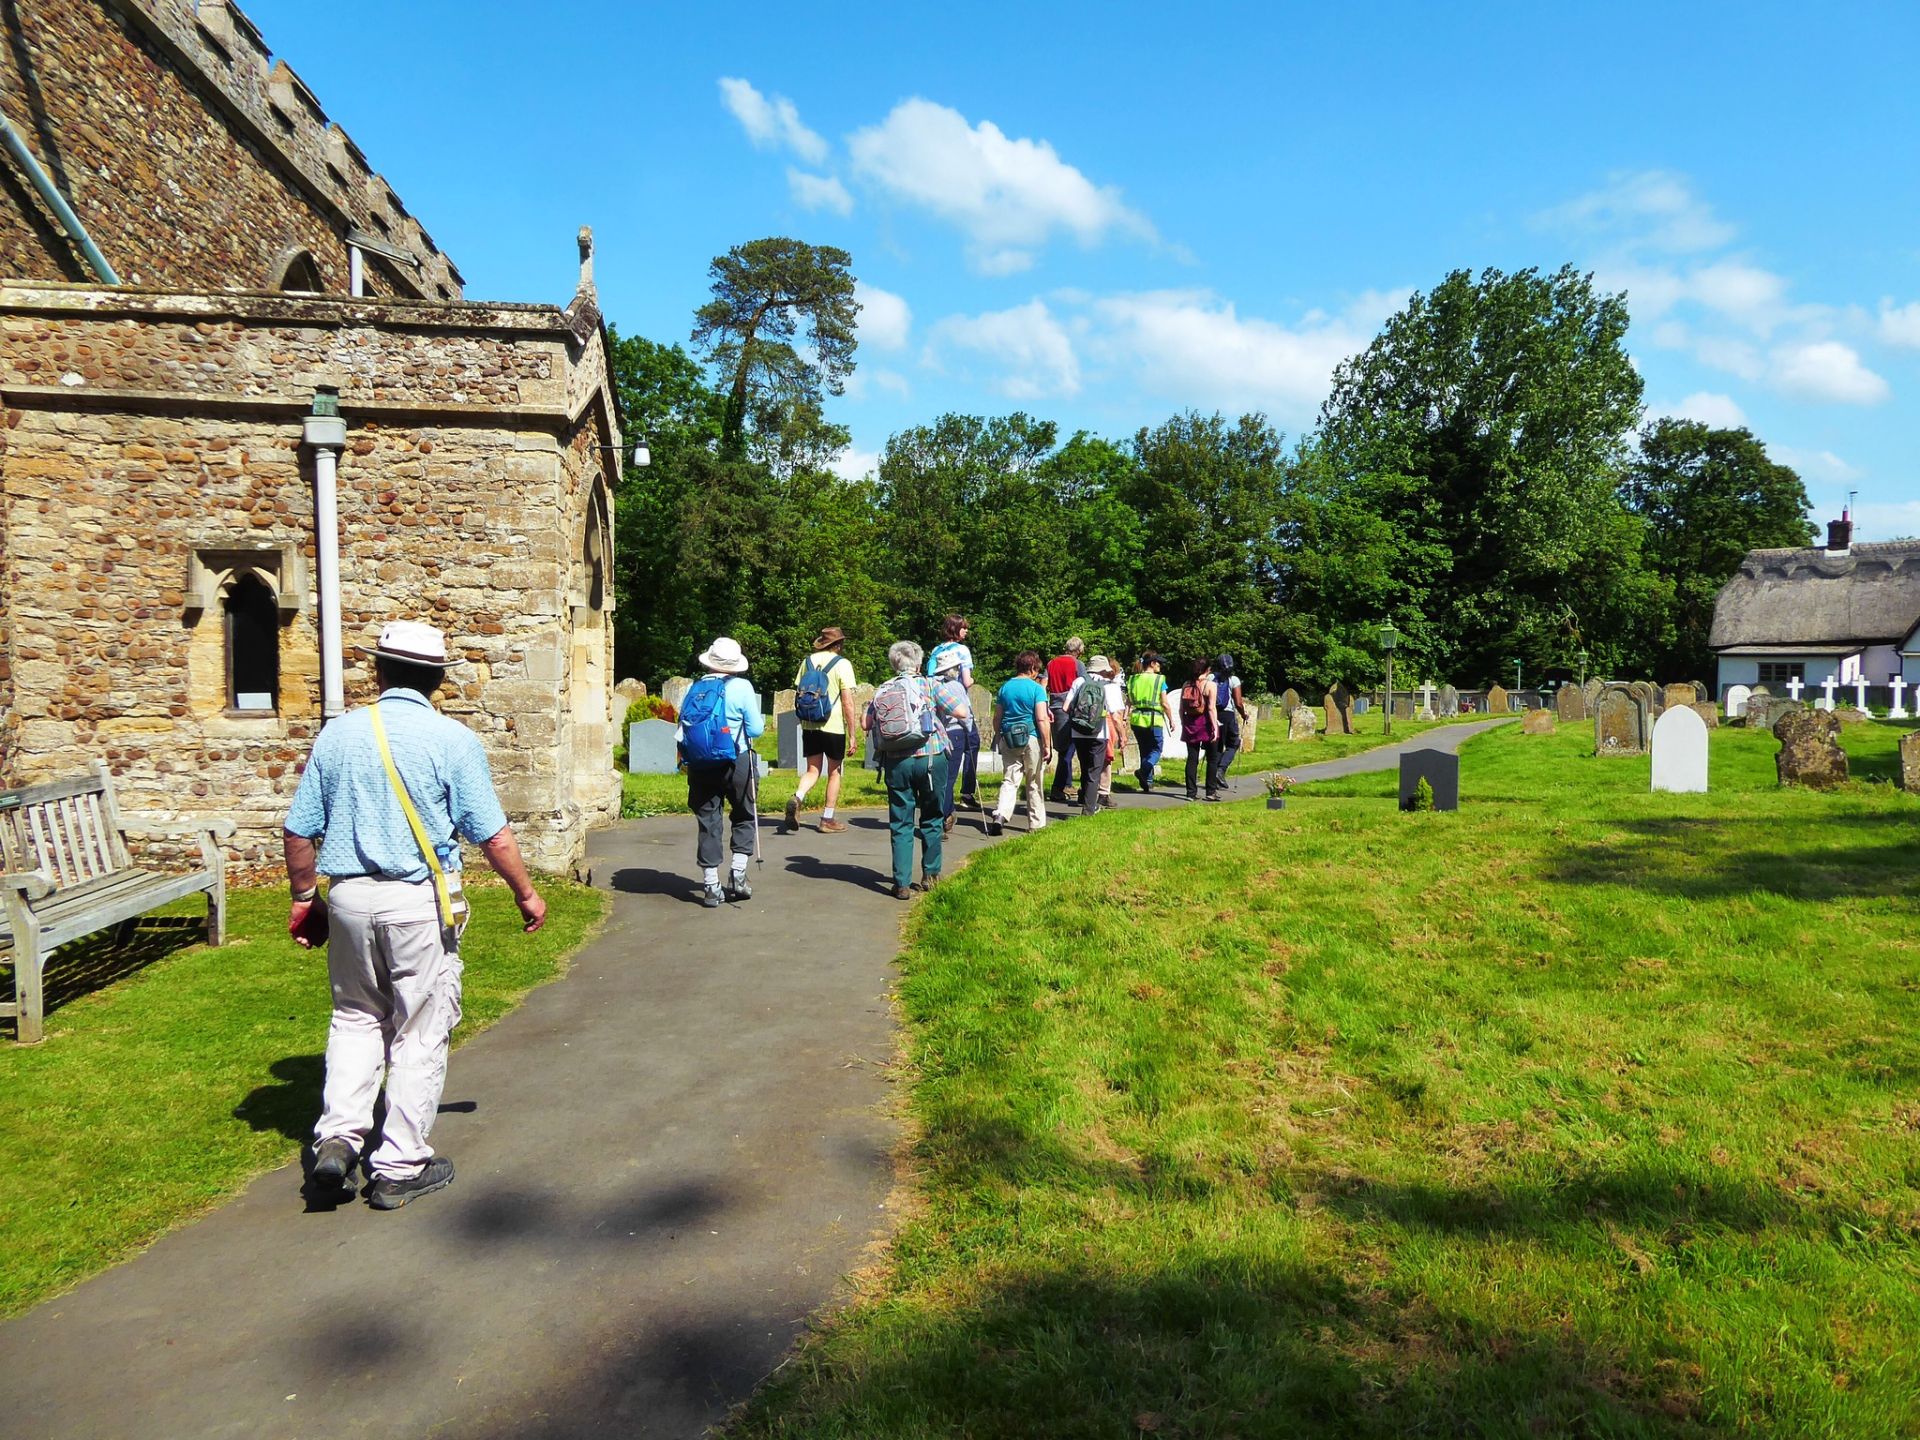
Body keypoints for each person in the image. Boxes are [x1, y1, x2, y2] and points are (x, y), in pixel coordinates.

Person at [284, 619, 547, 1211]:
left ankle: (338, 1142)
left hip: (349, 896)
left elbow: (300, 829)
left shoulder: (338, 736)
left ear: (379, 671)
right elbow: (493, 834)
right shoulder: (451, 740)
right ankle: (399, 1164)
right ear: (437, 680)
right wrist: (526, 893)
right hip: (416, 900)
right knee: (419, 1029)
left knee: (354, 1018)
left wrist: (306, 897)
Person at [864, 640, 970, 898]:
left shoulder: (884, 688)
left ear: (894, 663)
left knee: (900, 820)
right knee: (932, 816)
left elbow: (865, 723)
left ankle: (901, 883)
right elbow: (961, 711)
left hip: (897, 761)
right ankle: (930, 875)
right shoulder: (931, 685)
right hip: (931, 757)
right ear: (920, 663)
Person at [677, 637, 766, 906]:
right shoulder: (742, 687)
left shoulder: (697, 687)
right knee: (744, 815)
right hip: (737, 759)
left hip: (702, 764)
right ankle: (738, 875)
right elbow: (755, 730)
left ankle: (711, 885)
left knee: (708, 822)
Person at [784, 625, 858, 835]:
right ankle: (827, 819)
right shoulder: (842, 664)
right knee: (834, 772)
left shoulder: (807, 661)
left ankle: (798, 796)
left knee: (812, 770)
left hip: (810, 723)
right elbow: (848, 703)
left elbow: (798, 690)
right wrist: (852, 734)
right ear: (838, 644)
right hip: (832, 725)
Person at [985, 651, 1053, 836]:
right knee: (1034, 781)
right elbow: (1041, 718)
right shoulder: (1036, 689)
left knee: (1010, 779)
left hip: (1009, 737)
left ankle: (1000, 815)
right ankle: (1036, 824)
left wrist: (998, 736)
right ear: (1032, 668)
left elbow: (997, 717)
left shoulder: (1005, 688)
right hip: (1031, 737)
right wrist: (1047, 745)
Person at [925, 615, 982, 813]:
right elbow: (966, 681)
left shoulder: (936, 650)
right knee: (972, 743)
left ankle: (941, 794)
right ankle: (967, 792)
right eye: (963, 628)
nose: (966, 631)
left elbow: (929, 677)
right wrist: (972, 681)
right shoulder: (962, 650)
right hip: (957, 703)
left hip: (938, 704)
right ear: (955, 629)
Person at [1062, 655, 1120, 818]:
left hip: (1078, 732)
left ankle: (1085, 798)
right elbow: (1115, 716)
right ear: (1103, 670)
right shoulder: (1107, 686)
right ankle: (1088, 809)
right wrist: (1121, 735)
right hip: (1098, 733)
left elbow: (1066, 707)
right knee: (1094, 771)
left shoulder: (1078, 682)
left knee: (1085, 767)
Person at [1045, 637, 1087, 803]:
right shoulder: (1078, 664)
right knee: (1068, 751)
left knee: (1064, 749)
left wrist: (1044, 704)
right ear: (1079, 650)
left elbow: (1044, 683)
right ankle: (1058, 787)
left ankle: (1066, 784)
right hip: (1071, 707)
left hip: (1054, 706)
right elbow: (1084, 685)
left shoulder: (1051, 663)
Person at [1127, 651, 1177, 792]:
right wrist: (1171, 719)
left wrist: (1125, 717)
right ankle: (1144, 772)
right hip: (1154, 719)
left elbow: (1128, 702)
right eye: (1158, 663)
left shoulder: (1133, 679)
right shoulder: (1159, 680)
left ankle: (1147, 781)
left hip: (1137, 719)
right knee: (1156, 749)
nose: (1160, 665)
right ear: (1152, 663)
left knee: (1144, 750)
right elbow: (1165, 703)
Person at [1207, 652, 1250, 800]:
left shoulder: (1211, 677)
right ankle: (1221, 770)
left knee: (1217, 747)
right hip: (1228, 715)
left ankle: (1213, 779)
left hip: (1213, 714)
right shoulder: (1234, 679)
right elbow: (1238, 702)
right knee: (1233, 743)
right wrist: (1244, 714)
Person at [1180, 658, 1220, 801]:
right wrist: (1215, 727)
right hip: (1205, 723)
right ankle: (1210, 791)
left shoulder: (1186, 684)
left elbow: (1181, 708)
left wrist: (1183, 722)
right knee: (1212, 758)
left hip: (1190, 723)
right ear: (1207, 669)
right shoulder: (1210, 685)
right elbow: (1211, 708)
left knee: (1192, 758)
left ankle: (1190, 792)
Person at [1098, 656, 1129, 809]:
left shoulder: (1087, 683)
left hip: (1086, 726)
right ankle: (1103, 793)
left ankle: (1086, 791)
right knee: (1106, 760)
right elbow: (1116, 716)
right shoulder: (1112, 688)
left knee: (1090, 759)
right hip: (1106, 725)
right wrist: (1123, 736)